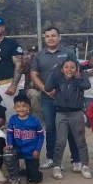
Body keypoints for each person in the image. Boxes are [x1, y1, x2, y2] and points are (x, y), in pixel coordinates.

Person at [29, 26, 80, 170]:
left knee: (70, 128)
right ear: (44, 38)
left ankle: (76, 160)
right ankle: (51, 158)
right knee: (51, 128)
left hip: (67, 98)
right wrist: (45, 89)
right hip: (47, 98)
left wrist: (61, 89)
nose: (50, 38)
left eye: (53, 35)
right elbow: (33, 74)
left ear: (59, 37)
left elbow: (76, 72)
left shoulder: (68, 53)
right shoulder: (39, 56)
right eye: (47, 36)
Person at [44, 60, 92, 180]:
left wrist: (78, 77)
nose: (69, 70)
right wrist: (54, 71)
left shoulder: (80, 77)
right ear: (62, 69)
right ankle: (57, 166)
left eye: (72, 67)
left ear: (77, 69)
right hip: (61, 114)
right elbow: (47, 87)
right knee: (60, 142)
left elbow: (86, 86)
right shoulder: (58, 78)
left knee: (80, 141)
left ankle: (84, 165)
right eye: (66, 67)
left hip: (76, 113)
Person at [3, 94, 44, 184]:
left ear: (28, 107)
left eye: (24, 106)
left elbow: (40, 136)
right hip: (17, 149)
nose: (21, 109)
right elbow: (10, 133)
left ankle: (36, 174)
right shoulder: (13, 119)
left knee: (32, 180)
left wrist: (37, 150)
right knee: (8, 152)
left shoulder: (35, 120)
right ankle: (14, 176)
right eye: (18, 106)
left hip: (31, 151)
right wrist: (10, 144)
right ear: (14, 108)